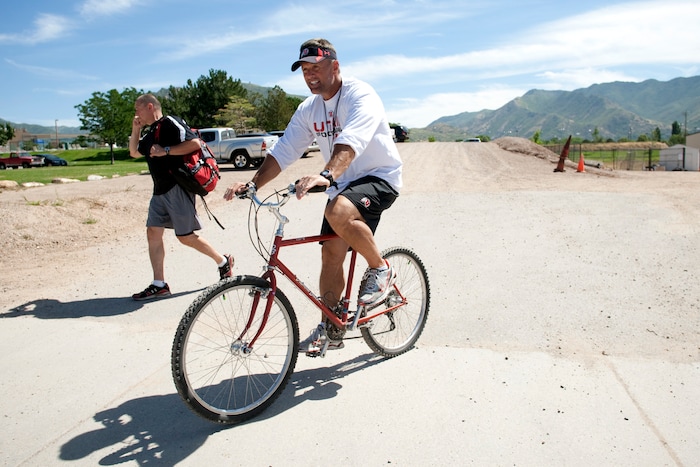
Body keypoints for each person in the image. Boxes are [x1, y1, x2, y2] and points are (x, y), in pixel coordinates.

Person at [223, 38, 402, 353]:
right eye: (305, 69)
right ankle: (331, 327)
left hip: (378, 176)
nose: (310, 75)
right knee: (330, 255)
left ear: (335, 66)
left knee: (339, 211)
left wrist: (326, 175)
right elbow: (284, 150)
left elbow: (351, 142)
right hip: (341, 184)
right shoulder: (309, 109)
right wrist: (253, 185)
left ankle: (381, 268)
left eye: (316, 67)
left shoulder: (361, 95)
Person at [129, 93, 233, 301]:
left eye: (137, 109)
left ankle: (223, 261)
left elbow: (195, 144)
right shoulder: (150, 132)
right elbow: (134, 152)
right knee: (153, 232)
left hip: (177, 188)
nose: (136, 113)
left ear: (150, 107)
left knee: (185, 237)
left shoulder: (170, 123)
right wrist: (136, 128)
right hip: (159, 190)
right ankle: (159, 284)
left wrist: (165, 150)